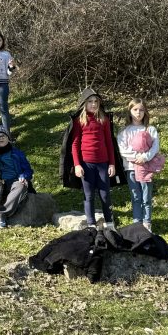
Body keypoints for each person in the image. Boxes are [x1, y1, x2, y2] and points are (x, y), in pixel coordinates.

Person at [66, 88, 120, 230]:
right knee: (88, 195)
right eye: (90, 101)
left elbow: (109, 142)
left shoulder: (104, 119)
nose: (94, 104)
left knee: (105, 195)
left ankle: (109, 223)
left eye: (96, 101)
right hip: (86, 164)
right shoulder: (79, 121)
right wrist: (77, 165)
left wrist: (112, 164)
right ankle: (91, 224)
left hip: (103, 163)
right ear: (84, 103)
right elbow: (75, 144)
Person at [117, 98, 161, 232]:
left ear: (145, 112)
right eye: (135, 109)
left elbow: (155, 147)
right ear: (129, 111)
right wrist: (137, 157)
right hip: (131, 168)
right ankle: (137, 223)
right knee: (136, 197)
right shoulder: (124, 131)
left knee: (146, 197)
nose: (138, 112)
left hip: (146, 168)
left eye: (141, 110)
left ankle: (147, 223)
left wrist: (145, 157)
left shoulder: (150, 129)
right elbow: (122, 149)